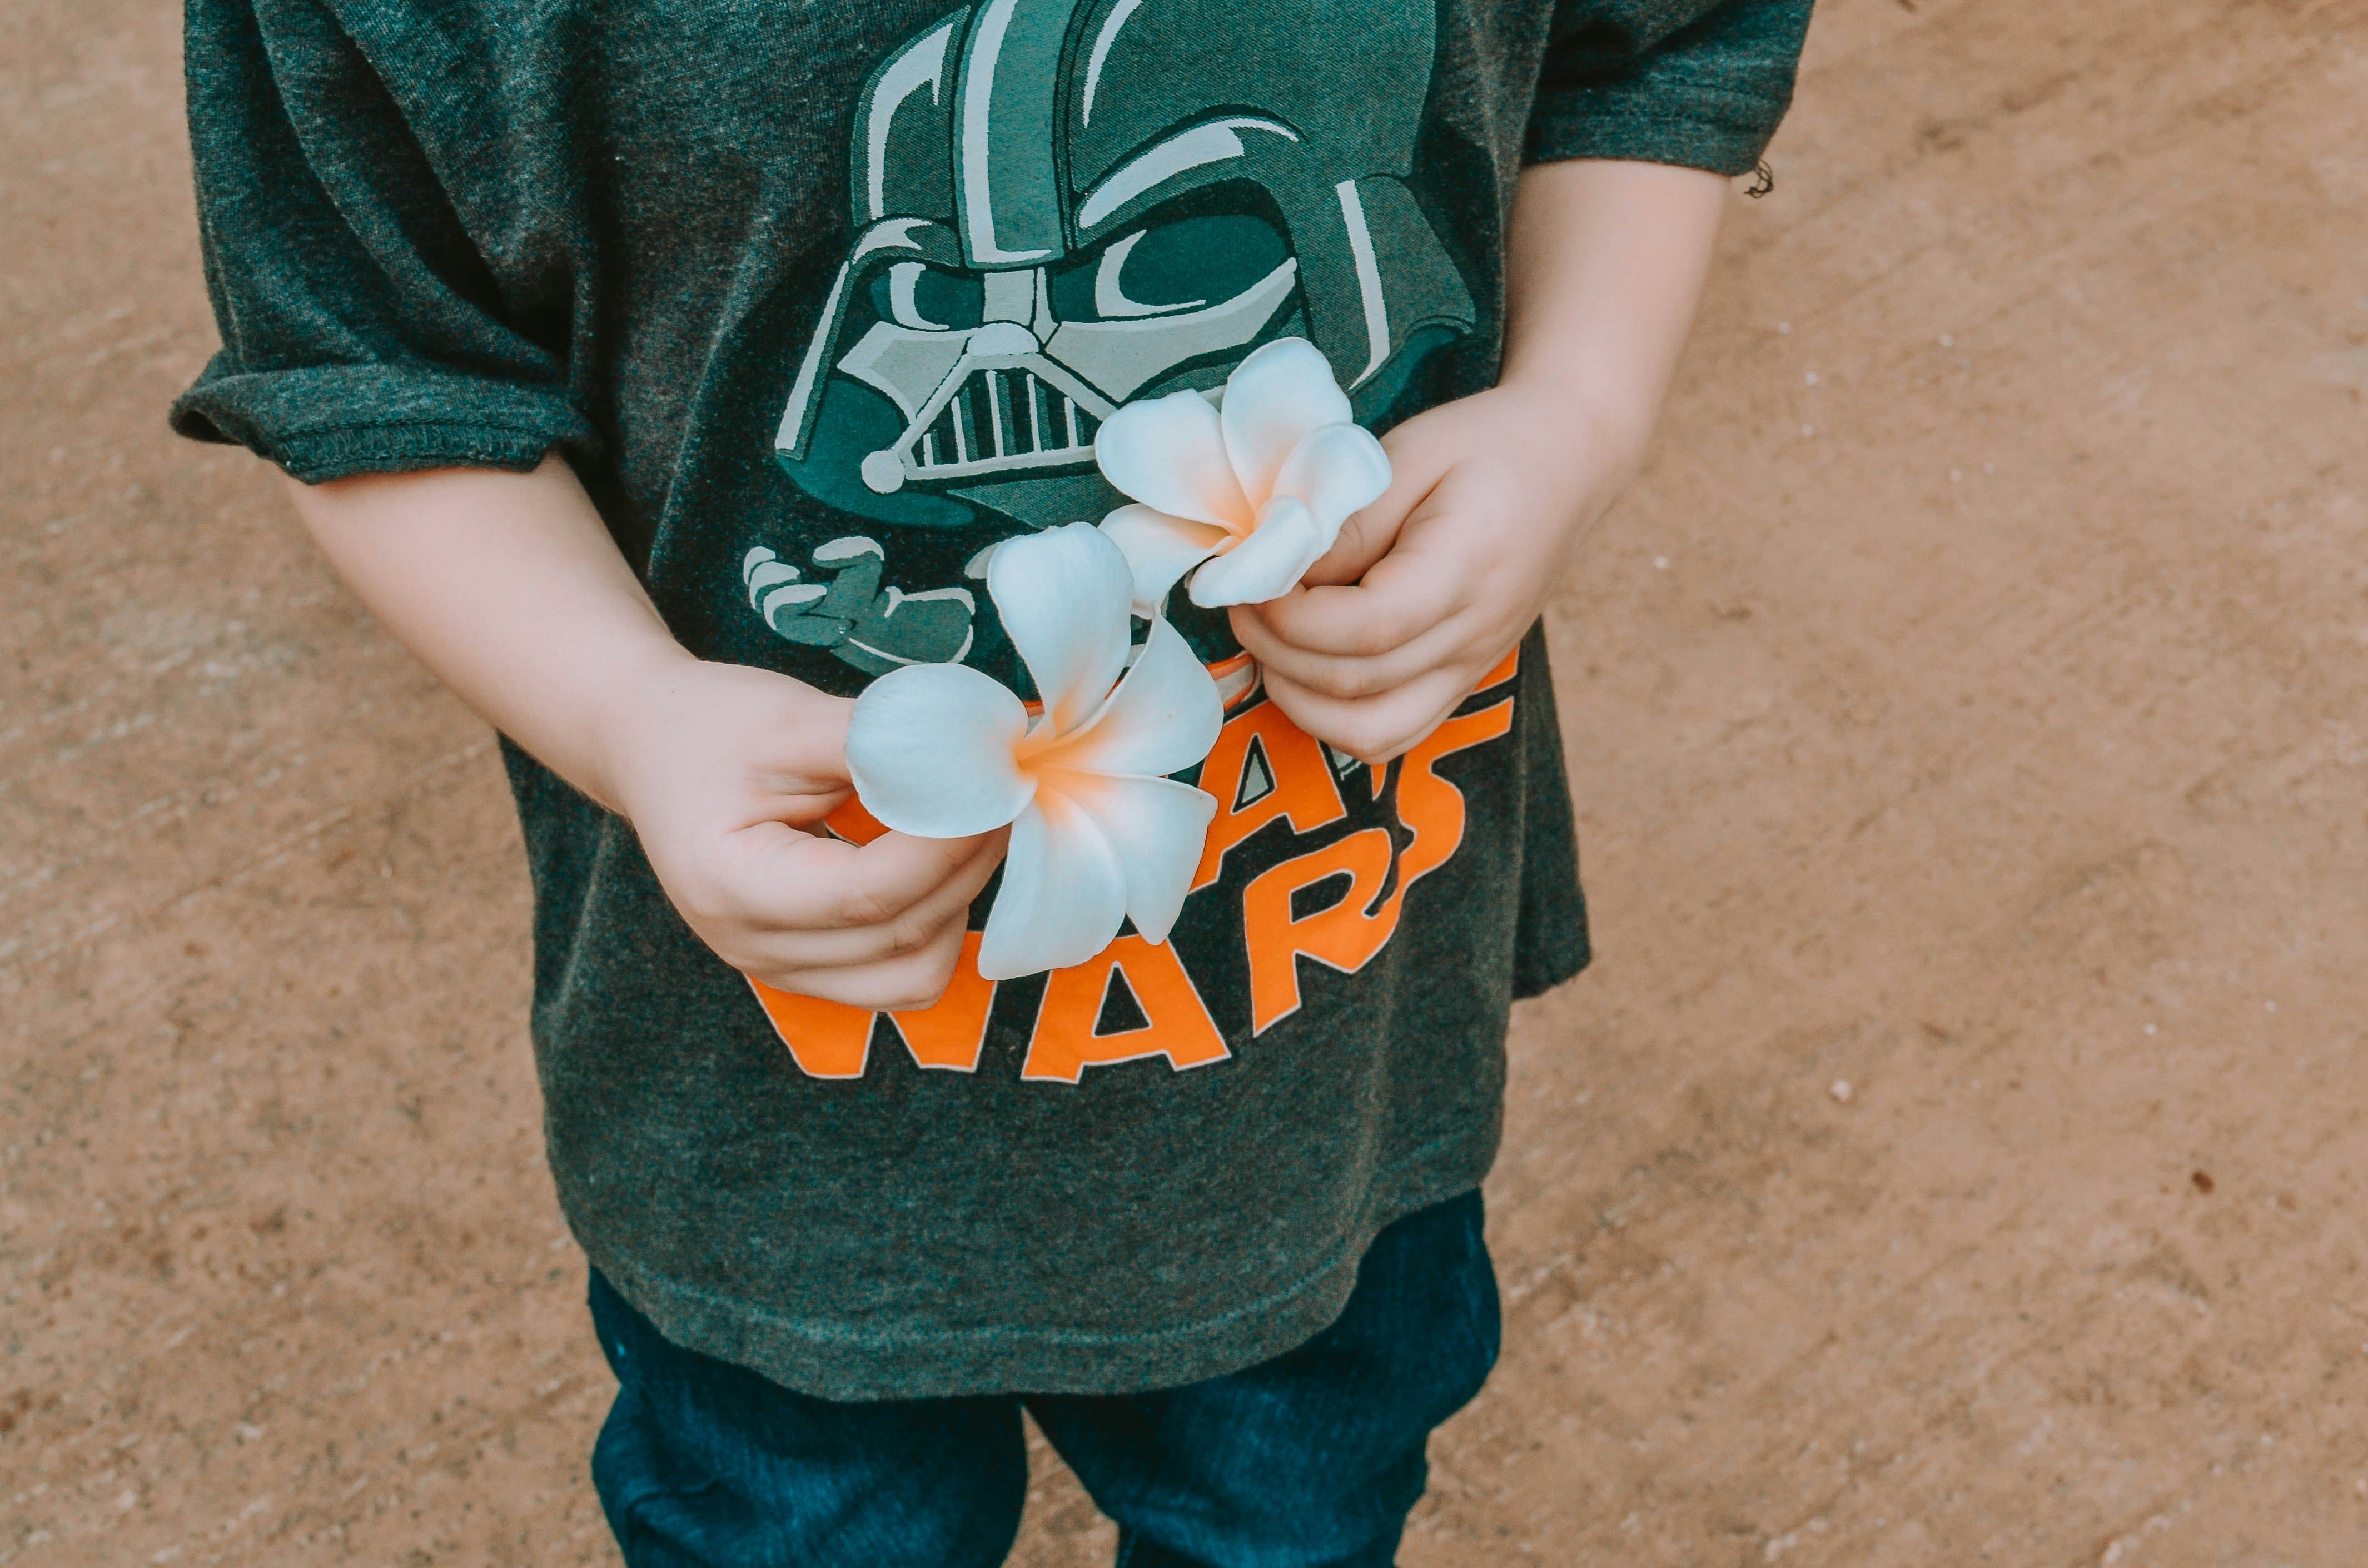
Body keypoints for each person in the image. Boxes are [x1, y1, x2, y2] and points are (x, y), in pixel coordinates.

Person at [172, 1, 1809, 1561]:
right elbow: (374, 364)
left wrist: (1573, 415)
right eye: (947, 304)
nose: (1012, 382)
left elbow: (1649, 46)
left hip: (1321, 1065)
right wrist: (628, 716)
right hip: (772, 1136)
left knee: (1294, 1504)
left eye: (1177, 260)